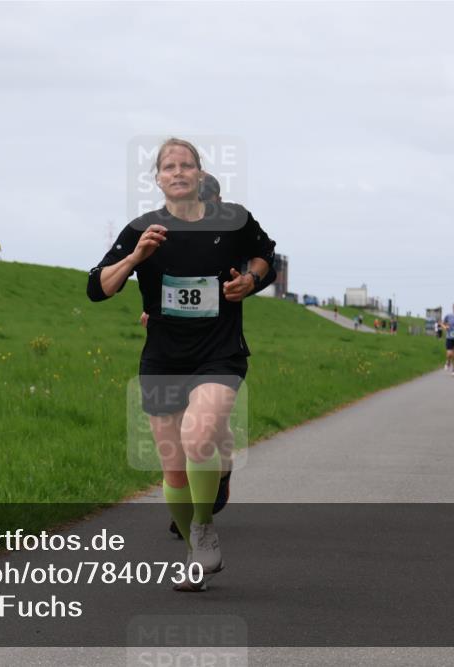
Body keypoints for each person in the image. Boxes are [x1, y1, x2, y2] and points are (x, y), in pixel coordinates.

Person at [87, 137, 276, 592]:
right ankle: (194, 553)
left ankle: (204, 526)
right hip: (164, 357)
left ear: (199, 172)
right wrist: (136, 257)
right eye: (168, 167)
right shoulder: (141, 229)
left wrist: (250, 281)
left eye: (186, 165)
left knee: (198, 437)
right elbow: (97, 287)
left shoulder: (234, 220)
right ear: (157, 178)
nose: (177, 172)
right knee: (173, 469)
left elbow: (266, 255)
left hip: (219, 352)